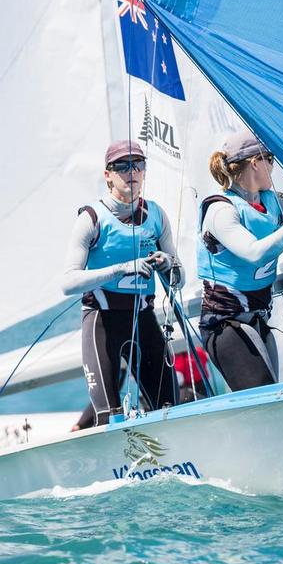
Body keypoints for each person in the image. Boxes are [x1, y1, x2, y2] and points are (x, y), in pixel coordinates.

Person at [62, 139, 184, 427]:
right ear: (108, 175)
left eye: (138, 164)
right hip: (101, 321)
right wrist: (120, 269)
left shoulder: (156, 215)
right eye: (122, 166)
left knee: (169, 410)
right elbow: (68, 282)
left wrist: (168, 266)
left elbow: (178, 280)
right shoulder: (92, 218)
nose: (132, 171)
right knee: (107, 416)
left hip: (143, 319)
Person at [197, 130, 283, 390]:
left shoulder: (271, 199)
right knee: (267, 398)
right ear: (255, 162)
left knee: (273, 394)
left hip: (258, 320)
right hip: (224, 327)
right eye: (271, 160)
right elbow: (255, 254)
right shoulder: (221, 210)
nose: (273, 167)